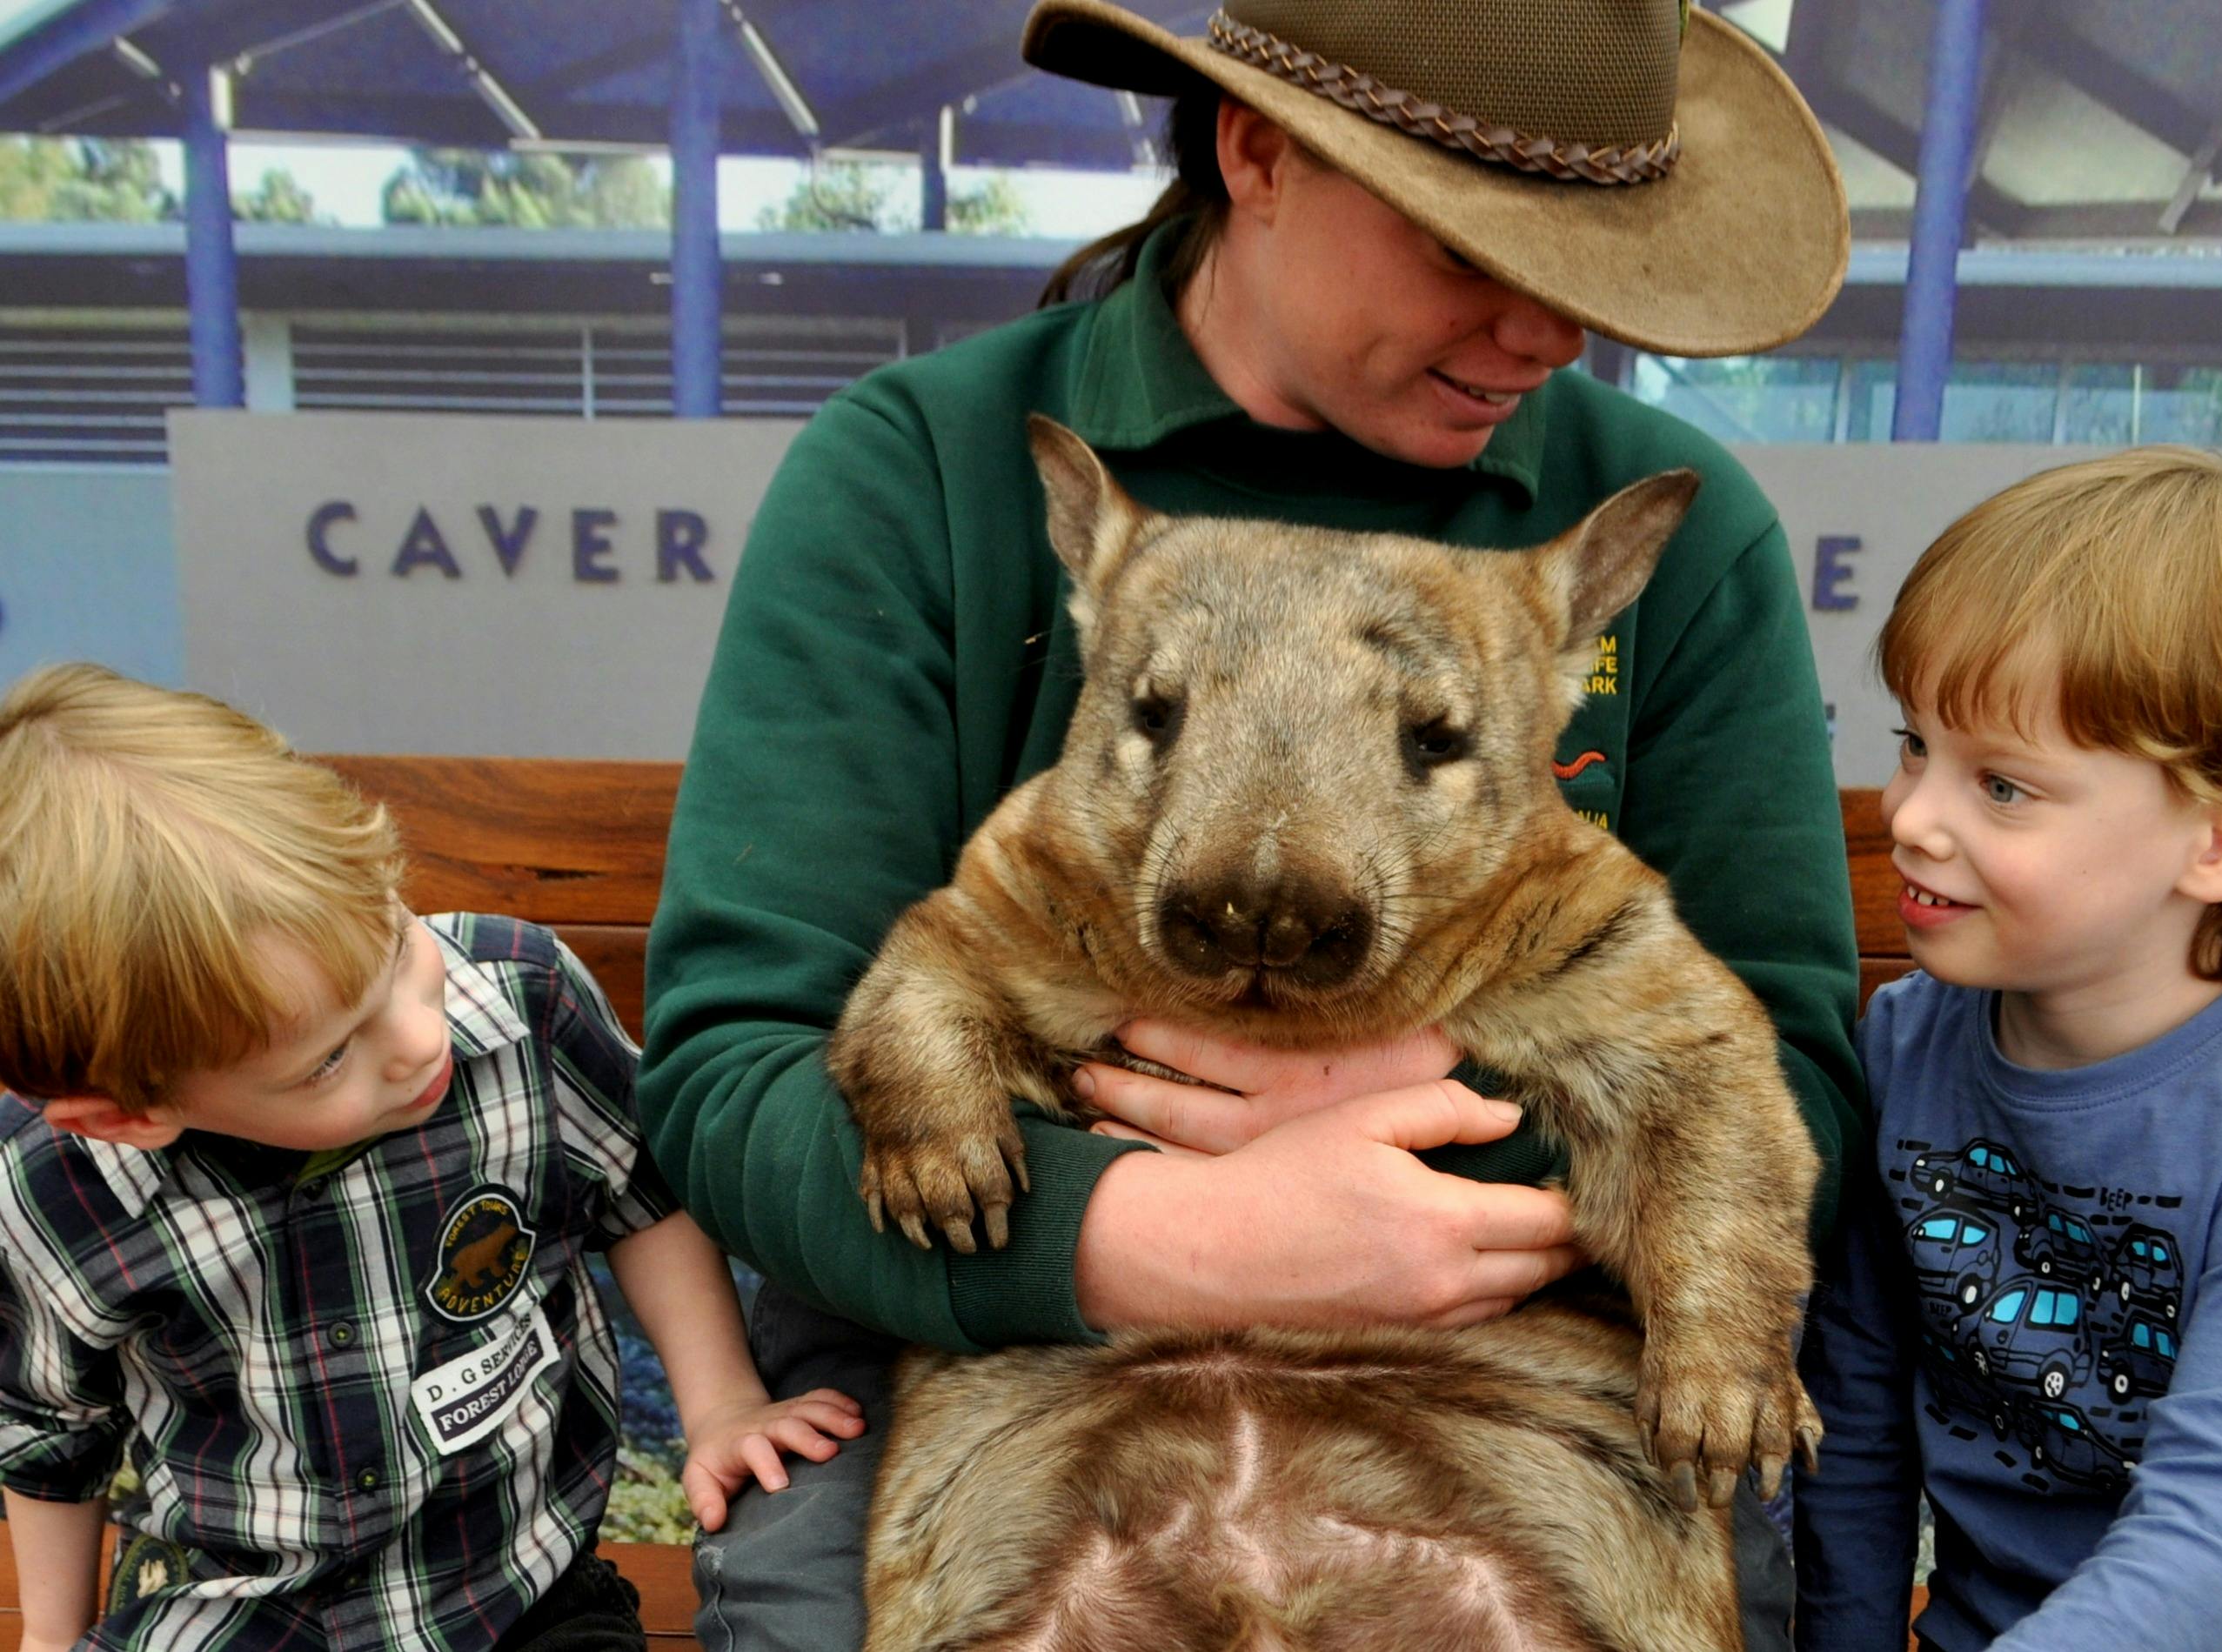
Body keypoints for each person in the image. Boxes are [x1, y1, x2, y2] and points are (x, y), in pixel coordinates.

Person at [639, 3, 1867, 1647]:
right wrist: (1146, 1233)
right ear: (1260, 152)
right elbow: (735, 1074)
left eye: (1587, 268)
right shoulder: (921, 468)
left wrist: (1414, 1134)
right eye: (1469, 250)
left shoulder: (1664, 531)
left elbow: (1783, 1080)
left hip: (1514, 1371)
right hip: (1016, 1353)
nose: (1542, 334)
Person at [0, 664, 867, 1652]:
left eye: (397, 946)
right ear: (131, 1115)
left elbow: (642, 1194)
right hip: (245, 1609)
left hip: (514, 1589)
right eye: (329, 1060)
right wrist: (49, 1639)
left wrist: (721, 1405)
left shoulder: (522, 1001)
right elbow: (50, 1435)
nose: (420, 1040)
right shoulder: (59, 1196)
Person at [1792, 450, 2222, 1651]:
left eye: (2002, 786)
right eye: (1914, 743)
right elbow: (1854, 1409)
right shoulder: (1905, 1043)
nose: (1910, 816)